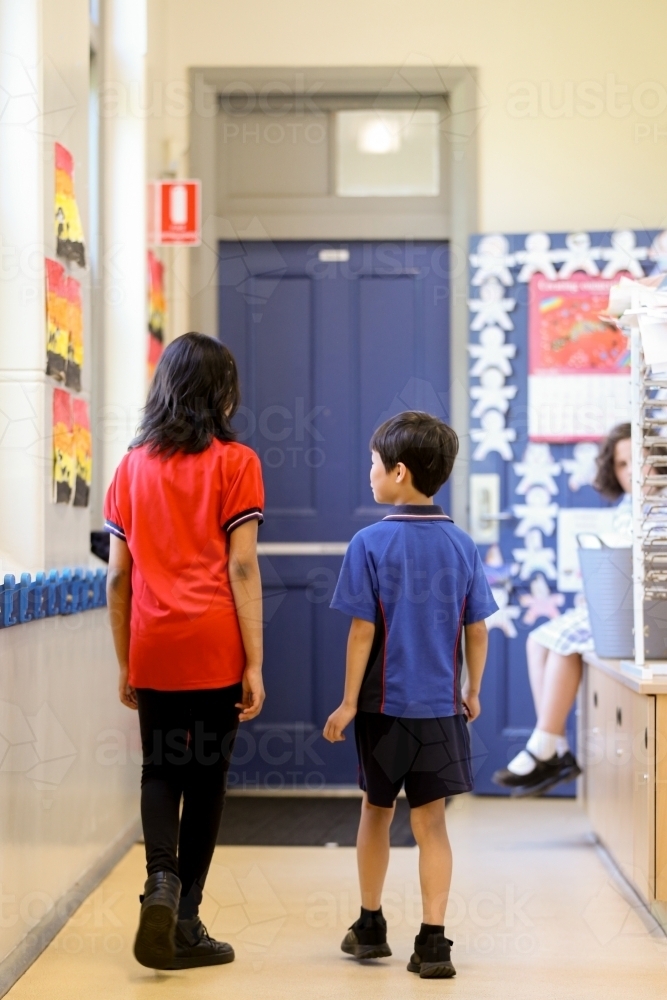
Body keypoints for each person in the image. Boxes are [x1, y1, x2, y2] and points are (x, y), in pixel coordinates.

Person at [104, 333, 265, 970]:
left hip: (154, 641)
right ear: (222, 392)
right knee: (206, 782)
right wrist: (253, 662)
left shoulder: (130, 466)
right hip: (213, 641)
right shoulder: (237, 461)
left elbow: (117, 577)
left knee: (159, 768)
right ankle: (188, 920)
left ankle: (159, 885)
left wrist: (125, 658)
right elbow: (243, 569)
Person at [323, 411, 497, 979]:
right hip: (442, 711)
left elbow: (361, 631)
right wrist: (473, 689)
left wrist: (349, 702)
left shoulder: (369, 543)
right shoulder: (463, 545)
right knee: (432, 824)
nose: (367, 473)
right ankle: (434, 940)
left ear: (399, 472)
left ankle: (370, 926)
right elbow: (477, 627)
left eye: (373, 465)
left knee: (376, 811)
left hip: (383, 710)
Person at [492, 422, 632, 797]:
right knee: (537, 640)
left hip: (634, 613)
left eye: (639, 460)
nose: (632, 471)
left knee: (563, 642)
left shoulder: (657, 506)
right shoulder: (626, 505)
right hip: (614, 604)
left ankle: (546, 747)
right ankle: (556, 746)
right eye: (622, 464)